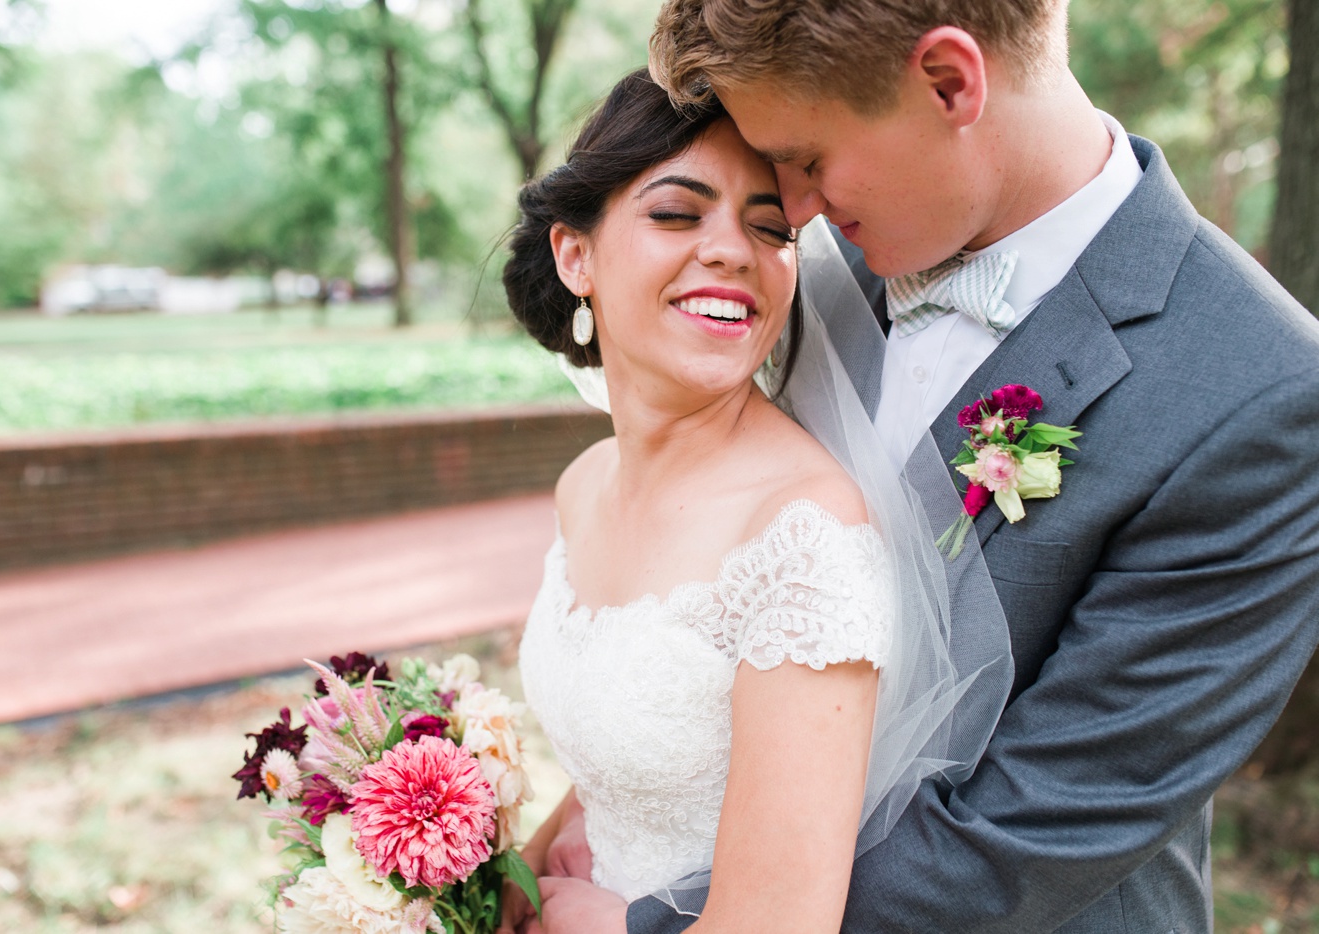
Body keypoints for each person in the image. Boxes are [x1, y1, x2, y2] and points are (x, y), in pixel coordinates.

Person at [524, 1, 1319, 932]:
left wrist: (644, 922)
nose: (800, 211)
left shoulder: (1260, 392)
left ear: (949, 83)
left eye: (809, 161)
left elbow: (1023, 838)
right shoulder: (810, 265)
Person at [497, 70, 1013, 934]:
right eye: (676, 212)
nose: (733, 250)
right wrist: (517, 863)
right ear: (574, 255)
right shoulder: (583, 485)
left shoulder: (804, 534)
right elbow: (622, 760)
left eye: (769, 228)